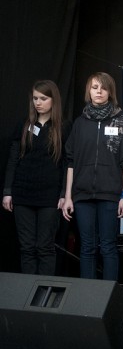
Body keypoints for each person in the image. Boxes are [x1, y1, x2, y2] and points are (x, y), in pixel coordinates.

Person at [62, 72, 123, 281]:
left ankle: (109, 295)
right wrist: (68, 196)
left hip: (110, 194)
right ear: (89, 91)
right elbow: (71, 161)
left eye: (103, 88)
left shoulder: (122, 120)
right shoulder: (80, 122)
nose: (99, 91)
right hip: (82, 195)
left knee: (108, 246)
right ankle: (87, 296)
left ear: (110, 92)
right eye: (94, 87)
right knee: (87, 247)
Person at [2, 80, 71, 275]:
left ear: (53, 100)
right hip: (23, 194)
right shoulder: (25, 124)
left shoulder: (63, 126)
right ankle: (28, 292)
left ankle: (43, 292)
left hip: (50, 196)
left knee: (45, 247)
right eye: (35, 98)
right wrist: (7, 191)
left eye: (43, 98)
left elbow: (68, 163)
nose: (38, 103)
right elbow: (13, 159)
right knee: (27, 247)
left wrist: (64, 194)